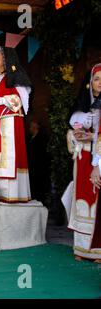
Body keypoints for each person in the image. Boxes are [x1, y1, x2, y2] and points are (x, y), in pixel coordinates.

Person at [0, 46, 32, 203]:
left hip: (7, 124)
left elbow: (18, 100)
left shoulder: (13, 78)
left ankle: (12, 193)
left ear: (6, 61)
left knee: (6, 157)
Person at [65, 63, 101, 262]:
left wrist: (92, 137)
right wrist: (76, 135)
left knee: (97, 201)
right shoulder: (81, 107)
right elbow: (71, 133)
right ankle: (81, 248)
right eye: (96, 79)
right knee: (81, 201)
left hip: (99, 160)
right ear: (89, 83)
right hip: (82, 160)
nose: (100, 83)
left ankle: (98, 250)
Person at [27, 120, 50, 203]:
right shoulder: (30, 138)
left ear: (35, 128)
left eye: (31, 127)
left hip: (39, 167)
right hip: (32, 167)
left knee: (40, 187)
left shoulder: (42, 138)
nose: (29, 129)